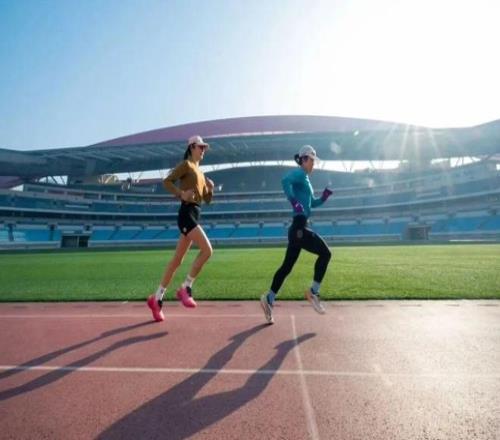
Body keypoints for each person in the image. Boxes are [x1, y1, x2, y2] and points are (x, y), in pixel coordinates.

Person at [260, 145, 333, 324]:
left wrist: (323, 198)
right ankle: (313, 292)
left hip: (298, 228)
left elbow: (311, 203)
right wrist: (293, 201)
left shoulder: (306, 180)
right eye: (312, 161)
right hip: (299, 227)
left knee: (287, 267)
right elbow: (285, 180)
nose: (314, 164)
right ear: (305, 159)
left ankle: (269, 298)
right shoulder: (300, 173)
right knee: (325, 253)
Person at [147, 135, 214, 322]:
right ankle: (186, 287)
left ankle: (156, 299)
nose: (203, 150)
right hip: (187, 214)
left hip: (195, 212)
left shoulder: (201, 173)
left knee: (177, 261)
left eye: (204, 148)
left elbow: (207, 200)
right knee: (207, 250)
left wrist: (210, 189)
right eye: (200, 147)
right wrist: (181, 194)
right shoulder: (186, 165)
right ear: (192, 147)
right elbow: (167, 181)